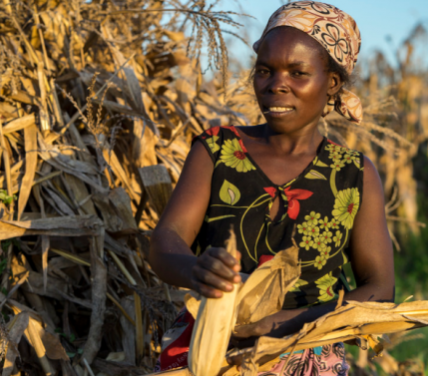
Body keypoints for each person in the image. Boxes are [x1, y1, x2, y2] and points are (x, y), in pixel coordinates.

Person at [148, 2, 394, 375]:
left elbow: (379, 289)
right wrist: (197, 269)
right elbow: (166, 241)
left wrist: (285, 321)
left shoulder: (353, 174)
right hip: (210, 347)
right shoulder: (217, 150)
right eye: (265, 70)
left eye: (298, 72)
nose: (276, 84)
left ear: (331, 84)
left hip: (309, 352)